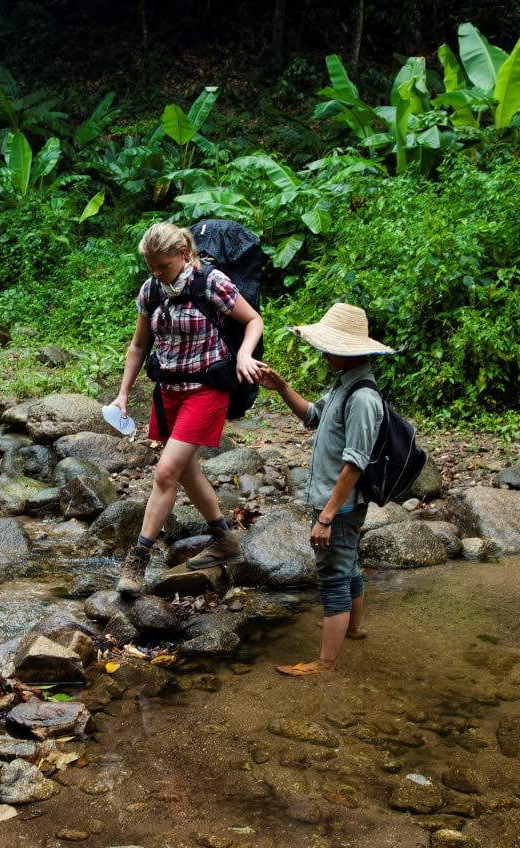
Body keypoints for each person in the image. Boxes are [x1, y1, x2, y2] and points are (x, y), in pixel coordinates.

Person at [110, 222, 264, 597]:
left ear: (182, 254)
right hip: (169, 391)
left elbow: (253, 320)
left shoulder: (211, 282)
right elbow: (138, 347)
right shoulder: (151, 290)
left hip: (206, 390)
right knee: (186, 471)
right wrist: (123, 394)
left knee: (166, 472)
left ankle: (138, 559)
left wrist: (244, 355)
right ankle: (224, 539)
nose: (156, 273)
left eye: (162, 266)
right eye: (150, 267)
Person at [256, 302, 394, 675]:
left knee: (333, 578)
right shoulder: (344, 383)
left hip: (341, 505)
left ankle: (325, 663)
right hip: (340, 503)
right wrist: (283, 388)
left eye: (328, 346)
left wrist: (327, 517)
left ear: (348, 350)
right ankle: (352, 630)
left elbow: (355, 463)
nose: (322, 352)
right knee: (348, 567)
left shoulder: (362, 398)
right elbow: (313, 416)